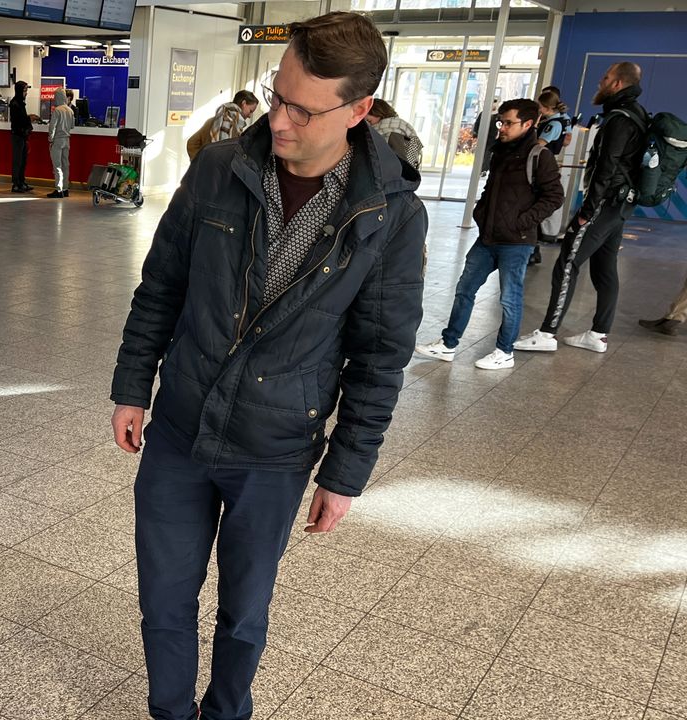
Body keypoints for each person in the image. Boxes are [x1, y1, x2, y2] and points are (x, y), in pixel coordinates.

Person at [110, 12, 425, 720]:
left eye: (302, 109)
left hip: (275, 452)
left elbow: (379, 360)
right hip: (180, 430)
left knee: (243, 614)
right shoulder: (221, 171)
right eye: (276, 95)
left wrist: (344, 475)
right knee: (163, 601)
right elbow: (160, 286)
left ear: (358, 111)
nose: (279, 120)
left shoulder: (390, 216)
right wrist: (134, 386)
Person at [415, 99, 563, 370]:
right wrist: (480, 213)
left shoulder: (539, 156)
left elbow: (554, 197)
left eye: (509, 123)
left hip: (516, 243)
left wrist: (522, 222)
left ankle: (504, 351)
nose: (502, 128)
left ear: (528, 124)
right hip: (488, 238)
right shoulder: (501, 153)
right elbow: (490, 191)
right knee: (465, 290)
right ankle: (449, 344)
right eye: (501, 122)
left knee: (509, 297)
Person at [515, 61, 648, 354]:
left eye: (606, 78)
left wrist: (587, 210)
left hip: (605, 201)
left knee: (567, 263)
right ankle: (598, 333)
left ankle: (547, 333)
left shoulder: (619, 119)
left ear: (617, 84)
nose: (600, 82)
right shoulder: (636, 113)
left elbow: (606, 167)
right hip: (621, 204)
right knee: (604, 267)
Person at [529, 88, 573, 264]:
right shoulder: (561, 120)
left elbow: (539, 144)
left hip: (543, 165)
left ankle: (534, 247)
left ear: (546, 107)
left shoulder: (552, 125)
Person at [186, 90, 260, 161]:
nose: (250, 116)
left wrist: (200, 164)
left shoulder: (213, 120)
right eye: (250, 111)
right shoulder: (231, 123)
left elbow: (192, 143)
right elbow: (225, 155)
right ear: (243, 103)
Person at [364, 97, 422, 170]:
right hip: (410, 174)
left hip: (397, 176)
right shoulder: (401, 126)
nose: (369, 125)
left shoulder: (391, 131)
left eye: (369, 121)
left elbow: (400, 163)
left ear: (379, 113)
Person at [47, 88, 74, 198]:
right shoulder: (70, 110)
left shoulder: (57, 110)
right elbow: (72, 126)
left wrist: (50, 139)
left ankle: (59, 190)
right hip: (67, 140)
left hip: (58, 140)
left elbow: (52, 127)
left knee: (57, 166)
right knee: (65, 165)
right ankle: (65, 189)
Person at [9, 80, 34, 193]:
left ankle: (21, 182)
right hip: (18, 136)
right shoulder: (15, 103)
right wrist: (30, 118)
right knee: (17, 161)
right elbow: (18, 120)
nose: (26, 93)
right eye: (24, 90)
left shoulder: (20, 102)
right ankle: (16, 184)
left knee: (23, 161)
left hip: (22, 136)